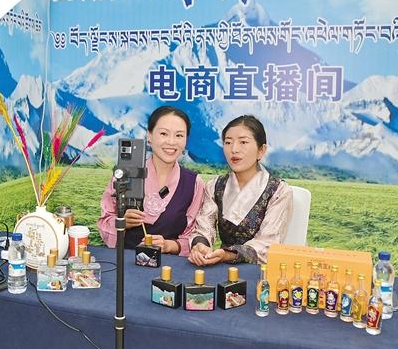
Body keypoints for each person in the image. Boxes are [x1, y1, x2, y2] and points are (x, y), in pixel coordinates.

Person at [98, 106, 205, 256]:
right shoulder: (125, 175)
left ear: (186, 140)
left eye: (179, 135)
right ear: (149, 136)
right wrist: (122, 222)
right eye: (163, 133)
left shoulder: (194, 183)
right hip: (126, 263)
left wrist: (169, 246)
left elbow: (194, 234)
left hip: (171, 267)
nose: (171, 142)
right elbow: (104, 222)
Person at [188, 115, 293, 266]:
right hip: (221, 265)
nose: (234, 149)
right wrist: (200, 245)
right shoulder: (215, 186)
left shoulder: (279, 191)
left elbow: (267, 244)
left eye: (243, 142)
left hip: (259, 271)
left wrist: (228, 254)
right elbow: (204, 227)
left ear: (261, 150)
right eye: (228, 142)